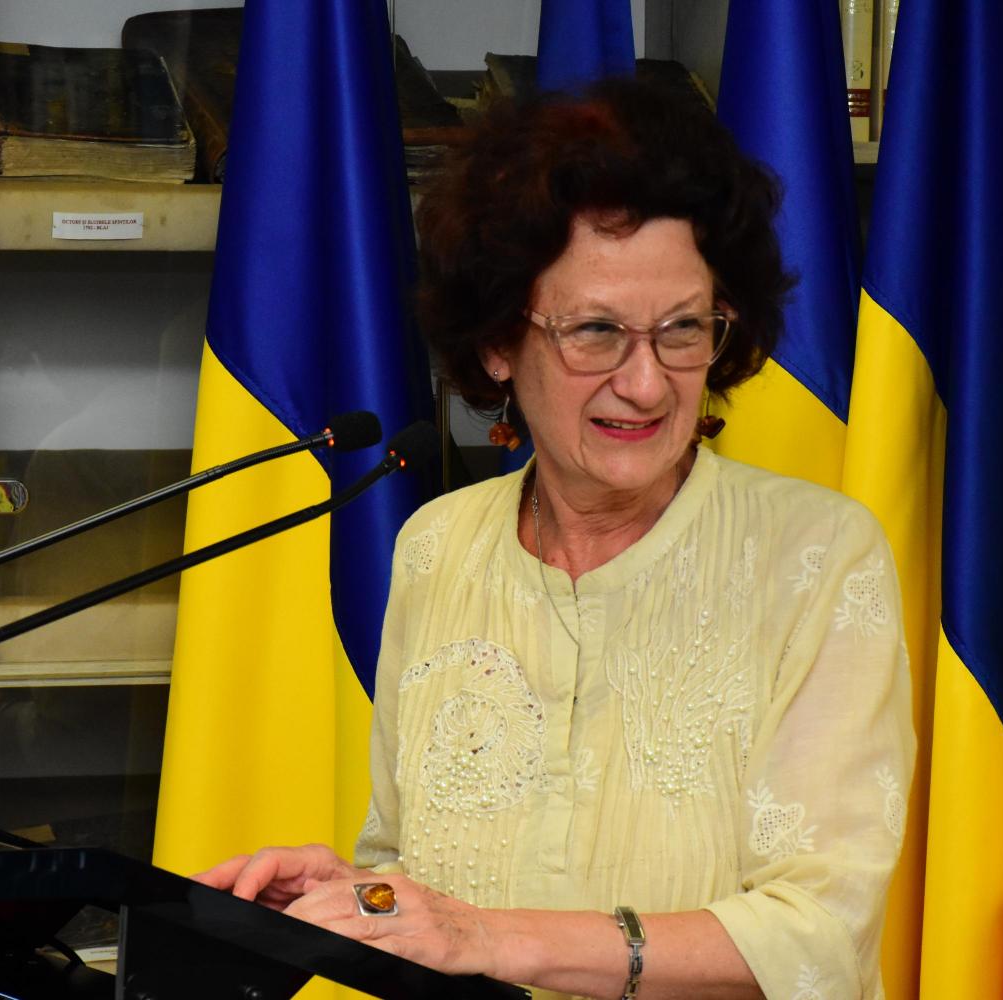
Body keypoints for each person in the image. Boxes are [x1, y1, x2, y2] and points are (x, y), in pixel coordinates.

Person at [197, 78, 914, 1000]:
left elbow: (819, 936)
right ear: (500, 341)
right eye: (597, 332)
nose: (646, 385)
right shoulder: (437, 547)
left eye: (682, 330)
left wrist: (490, 938)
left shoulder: (817, 558)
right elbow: (413, 869)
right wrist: (357, 898)